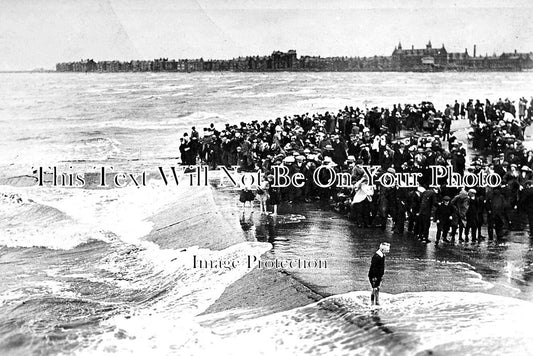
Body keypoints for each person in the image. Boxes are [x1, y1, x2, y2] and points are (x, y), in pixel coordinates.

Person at [368, 242, 390, 306]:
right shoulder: (376, 256)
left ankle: (377, 301)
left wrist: (381, 275)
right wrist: (374, 277)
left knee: (378, 288)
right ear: (382, 250)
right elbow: (374, 268)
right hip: (374, 275)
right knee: (374, 289)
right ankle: (372, 303)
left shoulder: (382, 255)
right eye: (387, 250)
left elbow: (381, 266)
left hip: (379, 275)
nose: (388, 251)